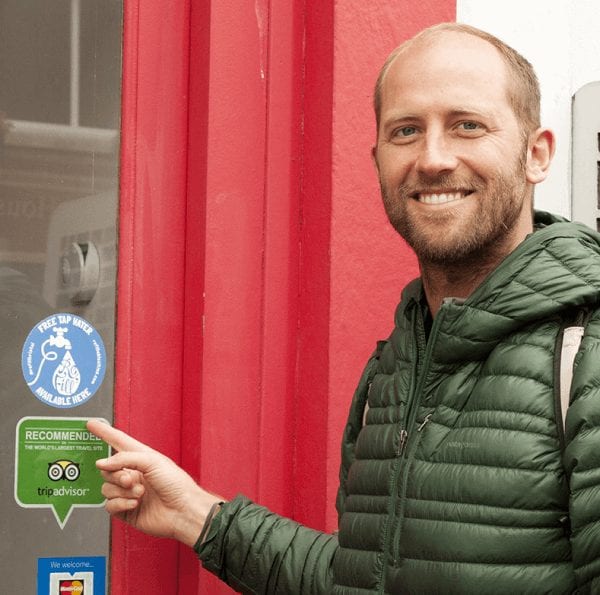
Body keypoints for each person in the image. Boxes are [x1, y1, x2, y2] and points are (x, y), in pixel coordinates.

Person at [88, 22, 600, 594]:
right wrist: (195, 516)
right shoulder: (401, 360)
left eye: (467, 126)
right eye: (406, 130)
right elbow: (361, 579)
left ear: (537, 154)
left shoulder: (586, 353)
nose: (432, 158)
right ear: (378, 156)